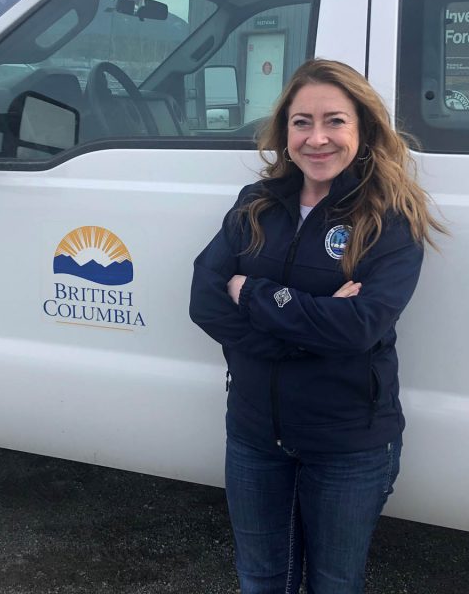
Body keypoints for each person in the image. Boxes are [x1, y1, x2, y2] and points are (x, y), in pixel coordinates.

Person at [189, 58, 445, 594]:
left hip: (348, 444)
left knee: (334, 584)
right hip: (256, 436)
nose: (317, 138)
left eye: (335, 121)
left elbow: (360, 326)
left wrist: (254, 292)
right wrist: (312, 325)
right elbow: (205, 300)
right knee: (261, 580)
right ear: (285, 131)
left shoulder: (390, 216)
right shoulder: (255, 204)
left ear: (363, 130)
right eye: (302, 122)